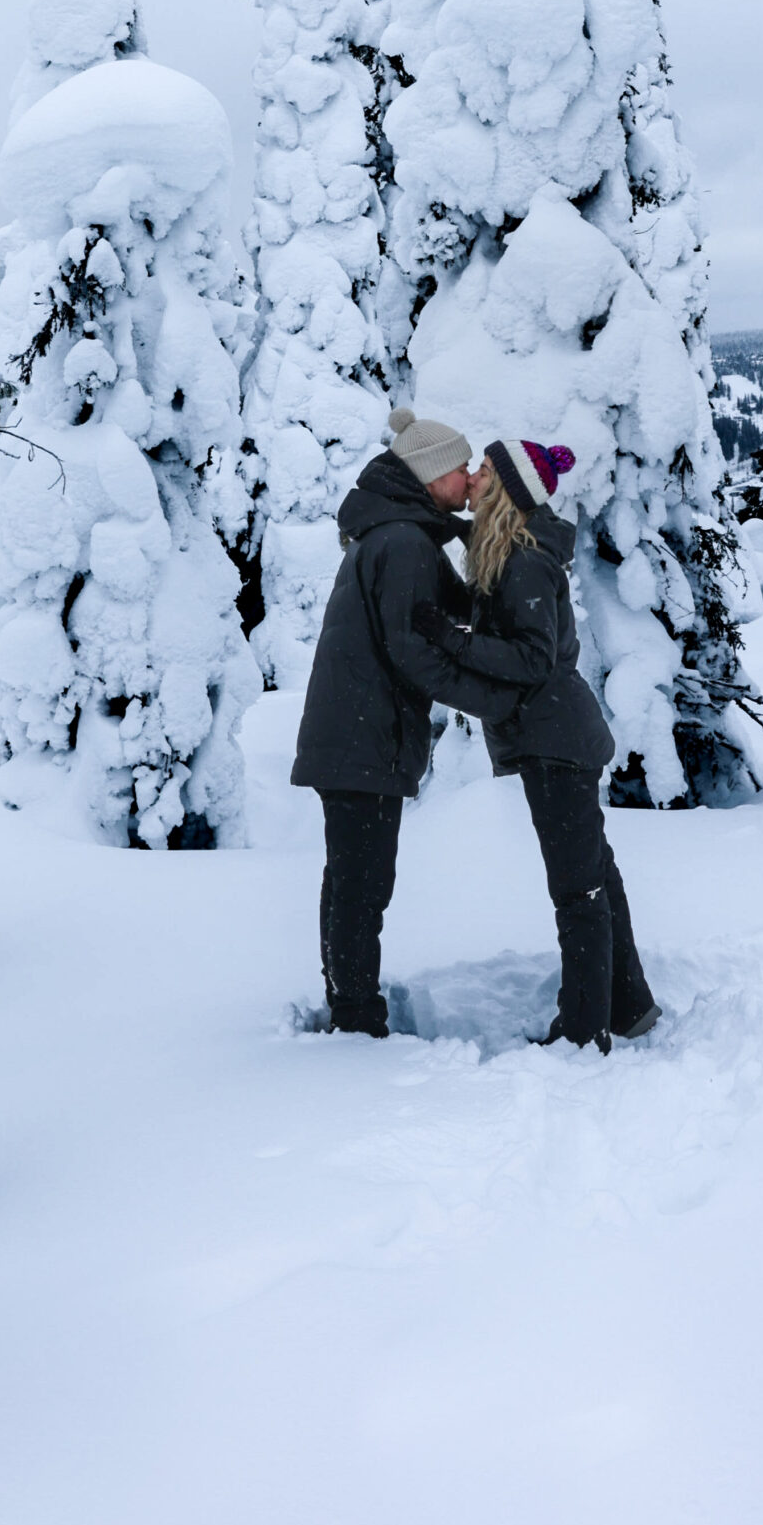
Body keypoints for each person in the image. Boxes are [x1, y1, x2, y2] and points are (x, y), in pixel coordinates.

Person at [414, 438, 659, 1053]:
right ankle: (628, 1005)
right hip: (554, 735)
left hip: (556, 742)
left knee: (577, 890)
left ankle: (583, 1030)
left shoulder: (524, 560)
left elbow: (531, 657)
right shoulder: (509, 549)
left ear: (507, 491)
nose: (471, 476)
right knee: (595, 875)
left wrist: (452, 638)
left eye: (485, 470)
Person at [292, 407, 515, 1035]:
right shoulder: (403, 542)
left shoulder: (399, 534)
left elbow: (455, 607)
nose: (470, 476)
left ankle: (348, 1001)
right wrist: (497, 699)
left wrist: (509, 547)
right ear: (432, 474)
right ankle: (357, 1018)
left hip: (355, 734)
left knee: (350, 881)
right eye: (462, 466)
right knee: (362, 886)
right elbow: (416, 651)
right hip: (365, 737)